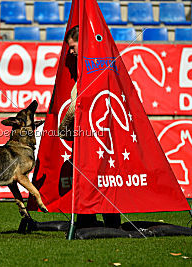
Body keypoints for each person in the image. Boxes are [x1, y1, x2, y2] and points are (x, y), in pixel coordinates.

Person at [59, 26, 121, 228]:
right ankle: (111, 223)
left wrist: (64, 129)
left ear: (83, 44)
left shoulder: (89, 73)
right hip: (103, 139)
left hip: (91, 141)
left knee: (87, 181)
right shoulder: (105, 66)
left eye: (73, 46)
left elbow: (75, 107)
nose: (70, 51)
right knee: (105, 181)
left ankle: (88, 222)